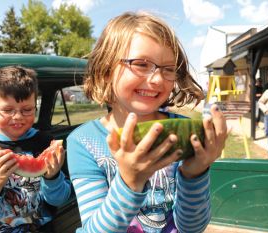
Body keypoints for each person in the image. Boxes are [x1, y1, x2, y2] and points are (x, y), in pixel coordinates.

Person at [67, 12, 228, 232]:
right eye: (141, 64)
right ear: (105, 70)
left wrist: (194, 174)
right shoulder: (84, 142)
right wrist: (130, 182)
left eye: (168, 69)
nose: (157, 79)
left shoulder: (182, 131)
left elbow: (192, 227)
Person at [0, 66, 71, 232]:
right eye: (8, 110)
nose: (18, 117)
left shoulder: (46, 143)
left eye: (27, 110)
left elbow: (59, 200)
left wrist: (53, 178)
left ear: (35, 108)